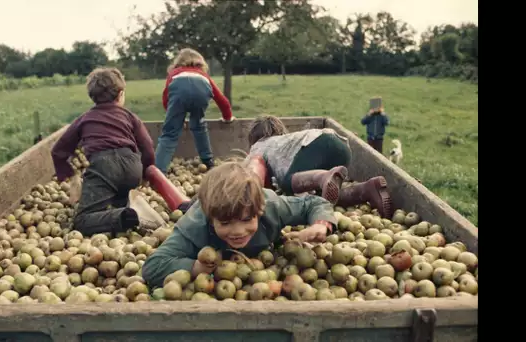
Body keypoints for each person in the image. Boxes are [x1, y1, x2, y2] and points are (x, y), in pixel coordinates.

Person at [141, 162, 337, 288]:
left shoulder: (271, 207)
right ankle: (154, 172)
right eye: (225, 223)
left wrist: (320, 225)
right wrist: (195, 267)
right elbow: (152, 267)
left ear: (259, 211)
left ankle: (259, 158)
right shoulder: (195, 226)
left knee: (254, 171)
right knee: (182, 204)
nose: (238, 232)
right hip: (196, 207)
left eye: (246, 220)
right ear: (211, 219)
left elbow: (314, 203)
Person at [50, 67, 154, 236]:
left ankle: (124, 216)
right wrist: (146, 172)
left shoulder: (84, 119)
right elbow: (147, 146)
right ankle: (129, 209)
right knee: (118, 196)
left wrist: (70, 175)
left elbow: (58, 151)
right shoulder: (130, 116)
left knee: (82, 220)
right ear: (120, 95)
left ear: (92, 96)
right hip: (132, 166)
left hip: (104, 167)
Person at [242, 115, 392, 219]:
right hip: (339, 147)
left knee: (287, 182)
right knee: (323, 197)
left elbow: (249, 173)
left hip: (315, 146)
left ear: (254, 138)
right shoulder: (286, 142)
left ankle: (323, 177)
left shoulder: (258, 146)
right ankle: (367, 189)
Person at [154, 48, 235, 173]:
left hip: (179, 95)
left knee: (170, 134)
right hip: (201, 93)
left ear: (178, 62)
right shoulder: (204, 76)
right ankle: (208, 162)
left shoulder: (174, 74)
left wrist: (175, 118)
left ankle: (159, 171)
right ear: (201, 63)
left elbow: (166, 98)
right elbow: (222, 100)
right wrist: (227, 117)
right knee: (199, 126)